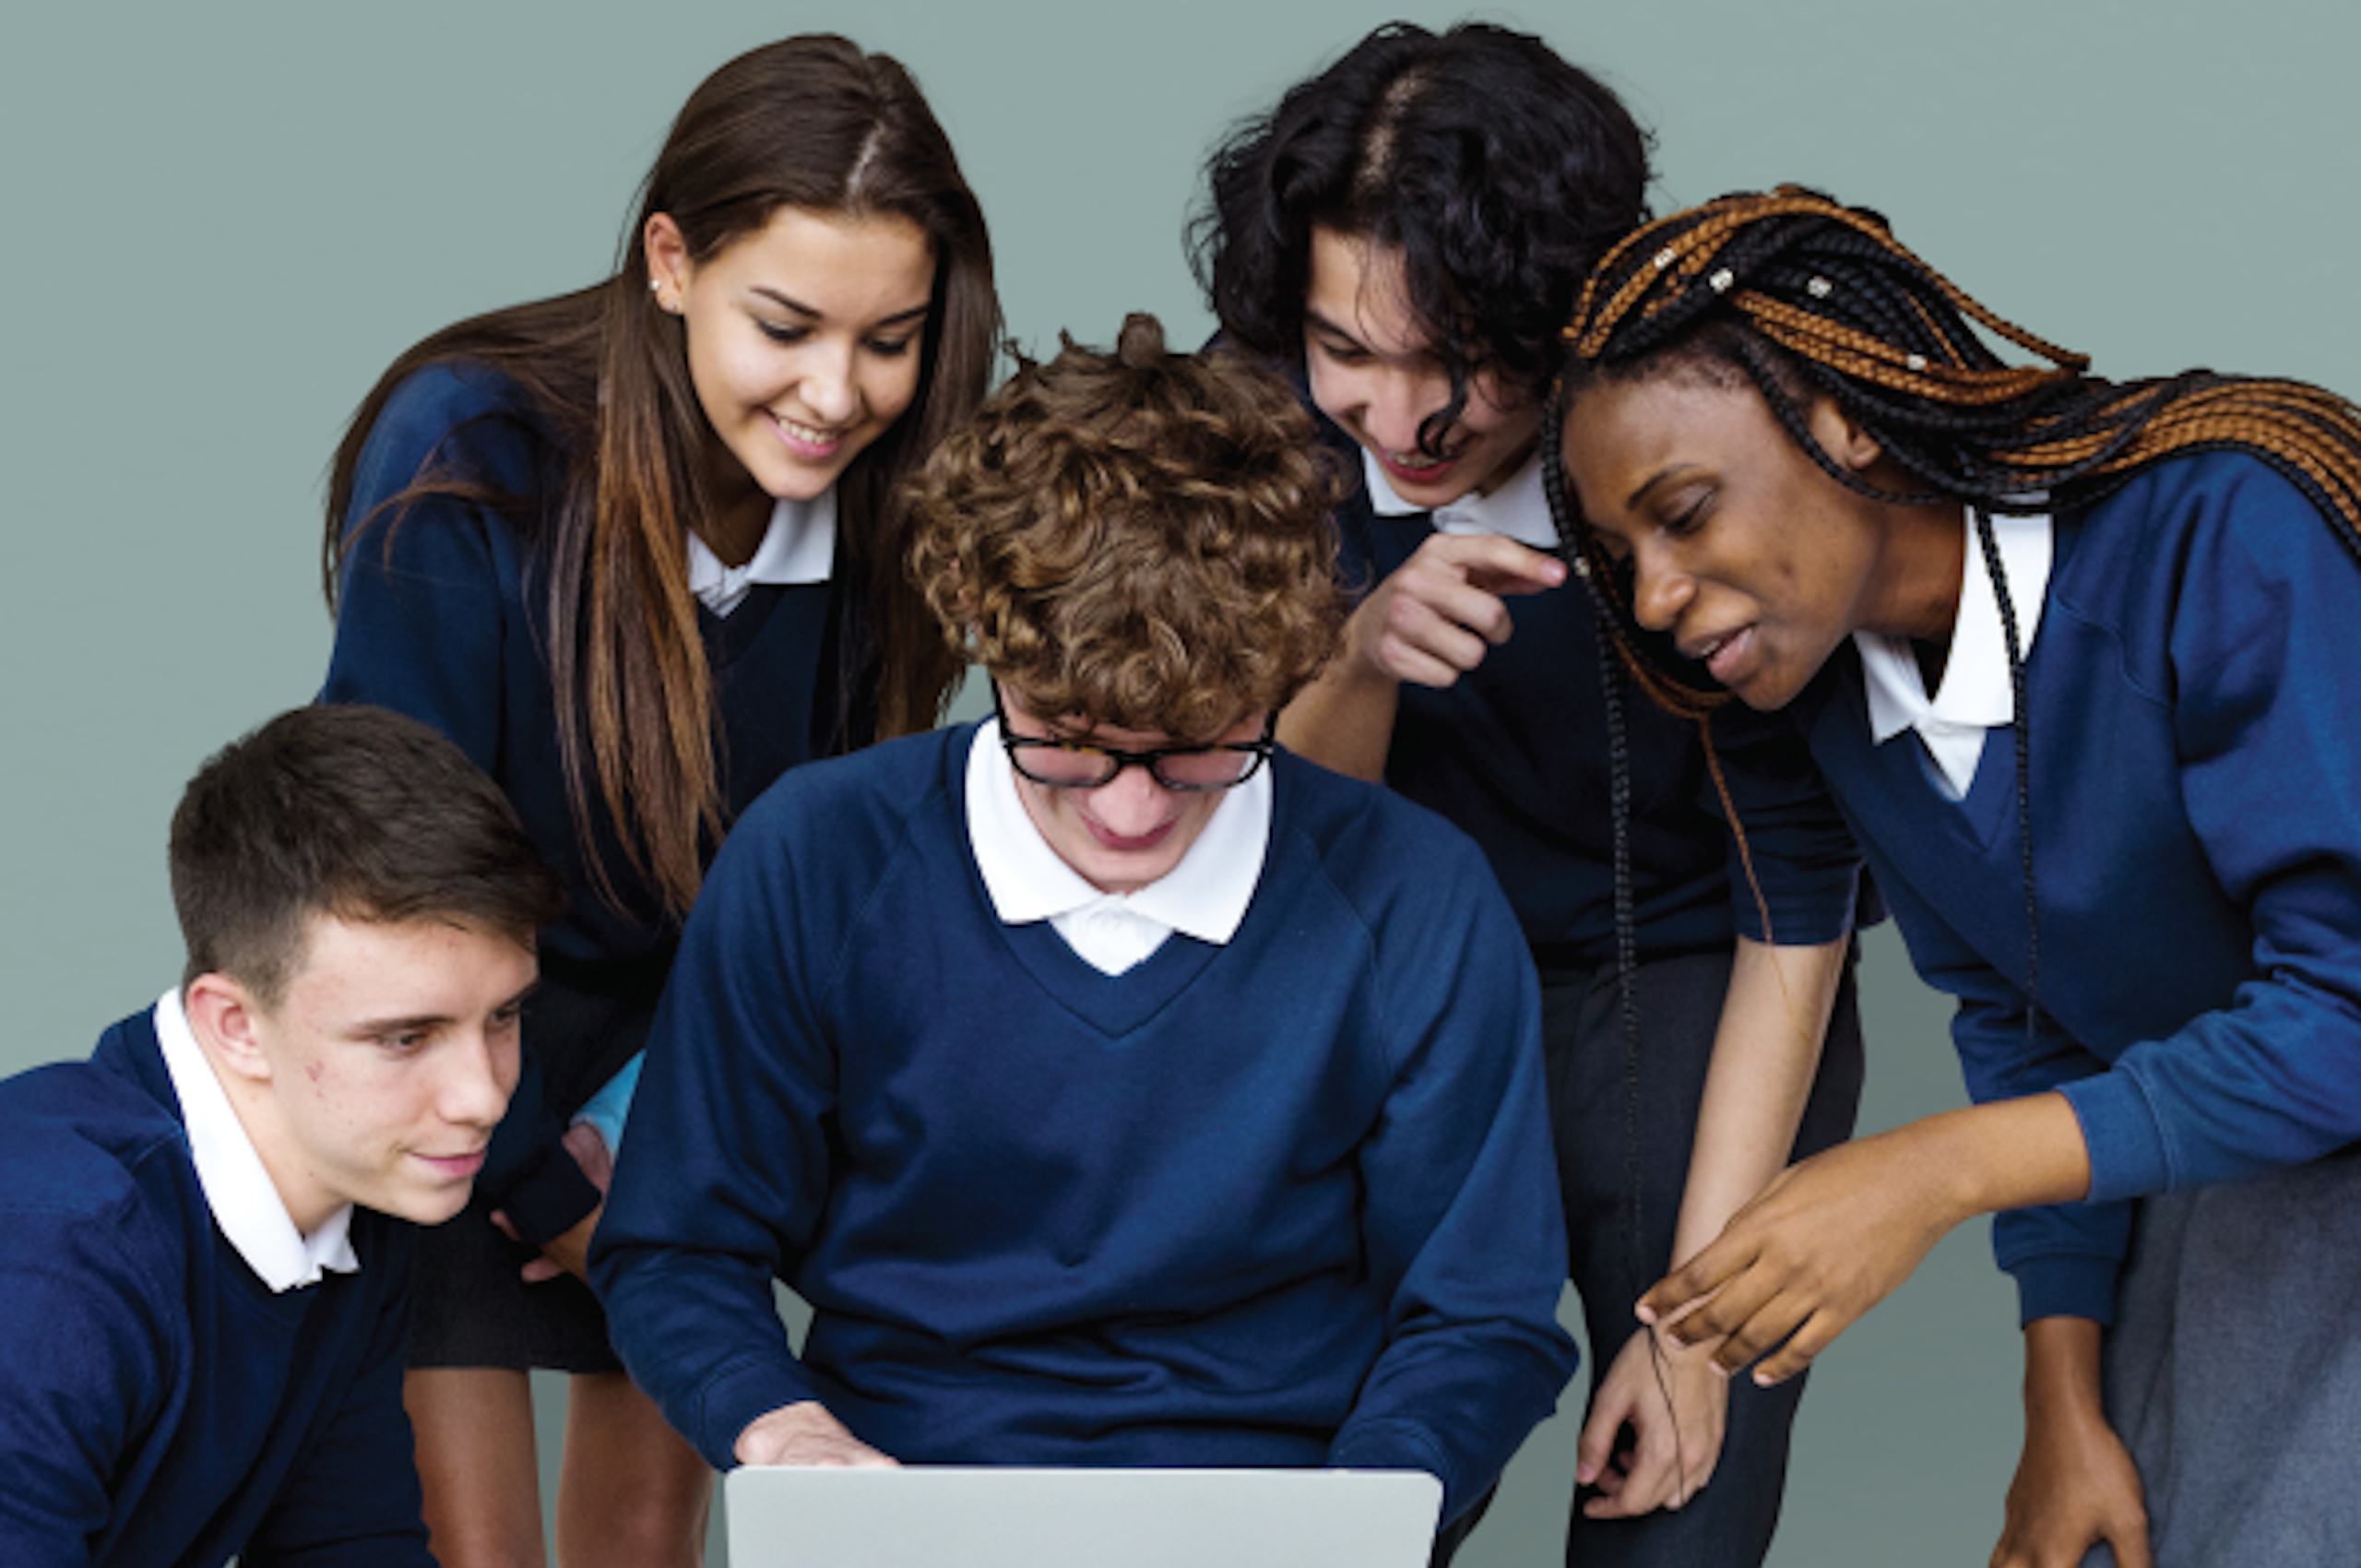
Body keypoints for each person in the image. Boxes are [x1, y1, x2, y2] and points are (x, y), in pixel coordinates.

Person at [591, 316, 1577, 1543]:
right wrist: (777, 1428)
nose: (1128, 809)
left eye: (1198, 747)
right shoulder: (819, 858)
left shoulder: (1416, 898)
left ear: (1286, 668)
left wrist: (1366, 1511)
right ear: (978, 631)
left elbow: (1481, 1314)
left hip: (1288, 1507)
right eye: (1065, 739)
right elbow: (680, 1244)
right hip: (897, 1500)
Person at [1553, 185, 2361, 1568]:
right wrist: (2062, 1400)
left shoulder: (2221, 535)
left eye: (1685, 514)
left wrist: (1918, 1177)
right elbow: (2032, 1020)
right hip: (2237, 1172)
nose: (1656, 597)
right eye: (1623, 557)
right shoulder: (1821, 708)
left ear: (1842, 415)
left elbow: (2346, 1015)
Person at [317, 34, 999, 1568]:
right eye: (788, 325)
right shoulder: (473, 448)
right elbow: (388, 869)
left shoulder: (896, 506)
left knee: (649, 1544)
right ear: (672, 261)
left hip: (680, 1064)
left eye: (890, 338)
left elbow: (808, 901)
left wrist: (653, 1158)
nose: (839, 393)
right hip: (438, 1026)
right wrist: (518, 1164)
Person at [1189, 24, 1864, 1564]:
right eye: (1349, 352)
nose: (1407, 421)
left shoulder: (1697, 440)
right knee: (1337, 1497)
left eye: (1463, 361)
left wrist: (1697, 1330)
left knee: (1676, 1491)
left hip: (1700, 978)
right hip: (1390, 989)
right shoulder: (1266, 440)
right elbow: (1266, 855)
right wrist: (1358, 658)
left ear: (1569, 318)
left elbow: (1800, 905)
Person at [0, 704, 565, 1567]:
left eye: (504, 1016)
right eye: (406, 1038)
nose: (482, 1098)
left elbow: (346, 1547)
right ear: (234, 1025)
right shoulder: (56, 1255)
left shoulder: (352, 1198)